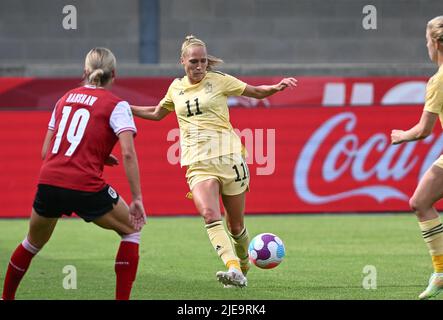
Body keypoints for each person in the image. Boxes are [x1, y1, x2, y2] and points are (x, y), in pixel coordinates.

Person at [131, 35, 296, 288]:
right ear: (182, 61)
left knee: (236, 225)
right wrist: (124, 107)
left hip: (230, 159)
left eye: (203, 61)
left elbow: (255, 92)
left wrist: (276, 87)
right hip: (198, 164)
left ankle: (243, 264)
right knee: (209, 214)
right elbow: (156, 113)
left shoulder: (219, 81)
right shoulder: (175, 88)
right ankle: (232, 268)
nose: (199, 67)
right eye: (194, 61)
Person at [1, 48, 146, 300]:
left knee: (32, 243)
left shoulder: (64, 98)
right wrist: (137, 199)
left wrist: (96, 154)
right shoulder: (117, 105)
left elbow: (47, 151)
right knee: (131, 230)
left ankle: (6, 297)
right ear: (115, 75)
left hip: (49, 181)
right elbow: (129, 154)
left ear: (85, 72)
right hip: (84, 185)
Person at [391, 16, 443, 300]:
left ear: (435, 43)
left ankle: (441, 271)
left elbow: (424, 130)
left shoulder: (438, 81)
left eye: (426, 41)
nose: (426, 46)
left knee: (420, 202)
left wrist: (401, 136)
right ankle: (440, 272)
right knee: (420, 201)